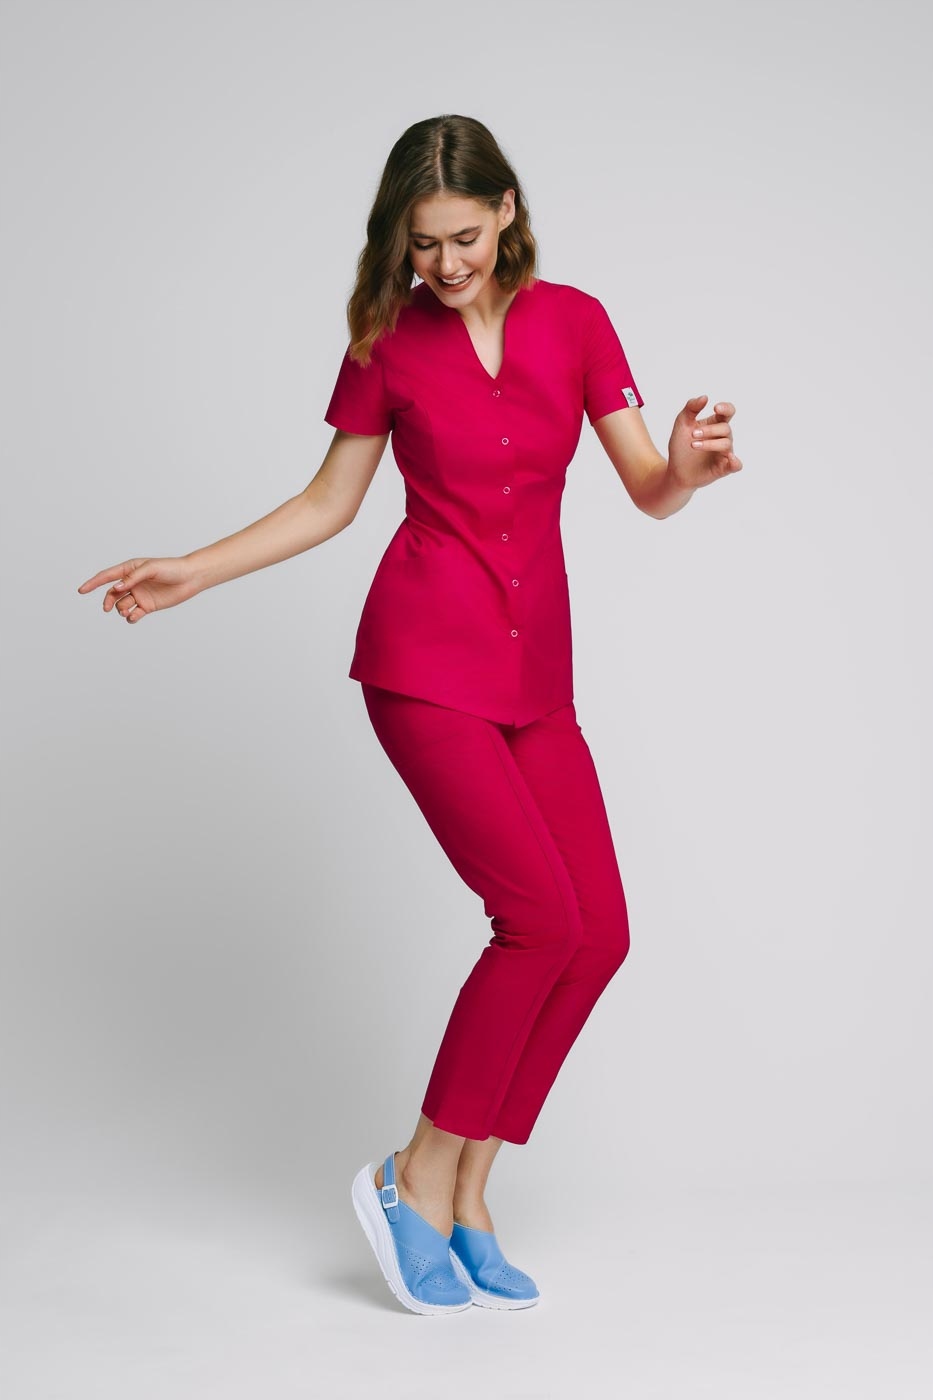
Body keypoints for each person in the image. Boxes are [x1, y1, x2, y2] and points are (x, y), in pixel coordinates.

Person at [77, 114, 741, 1317]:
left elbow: (648, 486)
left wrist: (686, 471)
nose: (444, 263)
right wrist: (192, 569)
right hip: (425, 666)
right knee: (537, 919)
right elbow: (329, 500)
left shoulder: (577, 323)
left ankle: (471, 1191)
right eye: (423, 242)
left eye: (464, 237)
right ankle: (413, 1174)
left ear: (507, 212)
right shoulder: (388, 338)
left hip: (538, 679)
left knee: (597, 933)